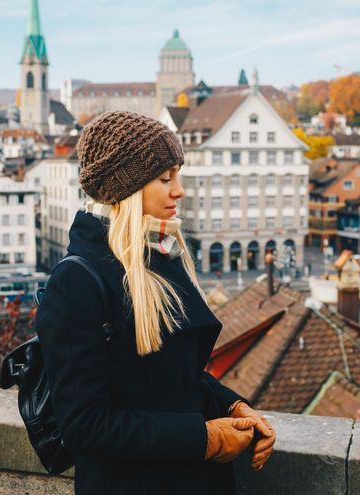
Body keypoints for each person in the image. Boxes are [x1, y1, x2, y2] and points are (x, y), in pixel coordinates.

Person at [34, 111, 275, 495]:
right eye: (165, 179)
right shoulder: (76, 282)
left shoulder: (156, 254)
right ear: (125, 189)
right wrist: (204, 438)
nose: (178, 190)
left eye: (176, 176)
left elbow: (172, 377)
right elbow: (86, 426)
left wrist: (233, 407)